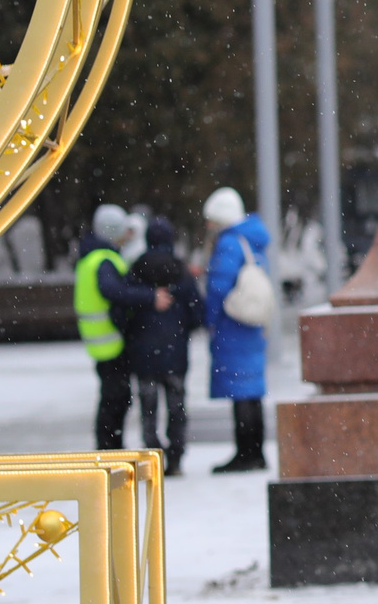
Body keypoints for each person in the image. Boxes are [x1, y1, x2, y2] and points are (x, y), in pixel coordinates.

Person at [99, 217, 202, 473]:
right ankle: (176, 457)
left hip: (143, 353)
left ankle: (153, 453)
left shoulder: (136, 269)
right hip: (175, 353)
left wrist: (132, 331)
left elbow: (119, 311)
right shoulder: (182, 272)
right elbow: (198, 313)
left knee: (149, 408)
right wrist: (180, 330)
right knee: (177, 406)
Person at [200, 187, 270, 473]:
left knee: (240, 391)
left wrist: (209, 319)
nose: (209, 226)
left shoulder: (229, 243)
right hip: (252, 326)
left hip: (233, 326)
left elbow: (218, 287)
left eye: (211, 220)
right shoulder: (253, 239)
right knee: (251, 391)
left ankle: (245, 453)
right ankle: (256, 451)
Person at [74, 204, 135, 450]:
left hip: (100, 340)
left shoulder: (91, 258)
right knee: (115, 398)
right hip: (111, 340)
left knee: (113, 397)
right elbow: (113, 292)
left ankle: (109, 447)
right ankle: (109, 448)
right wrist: (147, 297)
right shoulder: (104, 260)